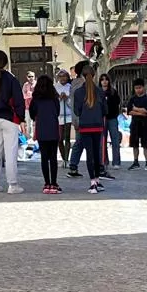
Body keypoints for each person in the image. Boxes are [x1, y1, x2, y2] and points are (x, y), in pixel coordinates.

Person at [0, 50, 26, 194]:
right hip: (9, 118)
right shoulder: (11, 79)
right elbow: (19, 100)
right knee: (10, 153)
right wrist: (21, 118)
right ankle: (12, 184)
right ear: (6, 62)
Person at [71, 61, 109, 194]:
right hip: (98, 126)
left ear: (82, 75)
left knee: (89, 154)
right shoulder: (99, 92)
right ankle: (98, 180)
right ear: (93, 75)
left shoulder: (78, 92)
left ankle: (92, 182)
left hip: (85, 126)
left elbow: (77, 111)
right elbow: (105, 110)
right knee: (97, 154)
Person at [28, 75, 62, 193]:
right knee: (53, 157)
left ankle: (46, 183)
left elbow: (32, 114)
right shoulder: (54, 98)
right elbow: (57, 112)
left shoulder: (35, 99)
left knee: (44, 157)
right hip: (53, 128)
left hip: (41, 129)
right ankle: (54, 183)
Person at [124, 79, 147, 171]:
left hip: (145, 125)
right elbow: (129, 111)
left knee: (145, 144)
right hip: (135, 124)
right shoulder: (132, 99)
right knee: (134, 144)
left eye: (140, 88)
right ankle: (135, 162)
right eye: (136, 88)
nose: (138, 90)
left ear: (144, 87)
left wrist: (136, 109)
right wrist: (140, 112)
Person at [101, 74, 123, 170]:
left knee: (115, 140)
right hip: (101, 119)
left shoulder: (113, 92)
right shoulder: (98, 92)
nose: (104, 81)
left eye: (106, 79)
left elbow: (117, 103)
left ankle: (116, 161)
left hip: (112, 118)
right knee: (102, 141)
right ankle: (104, 161)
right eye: (102, 80)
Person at [55, 69, 74, 162]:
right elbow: (53, 102)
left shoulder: (70, 87)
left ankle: (66, 158)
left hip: (68, 115)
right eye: (61, 76)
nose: (63, 78)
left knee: (67, 137)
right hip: (58, 116)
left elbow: (72, 103)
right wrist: (59, 98)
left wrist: (67, 99)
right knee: (59, 138)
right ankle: (63, 157)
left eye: (64, 76)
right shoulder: (55, 87)